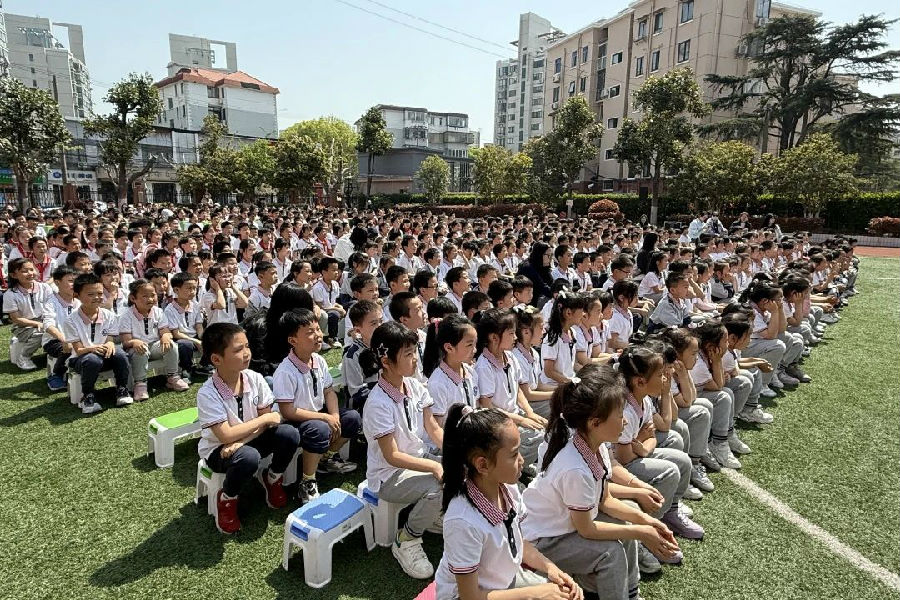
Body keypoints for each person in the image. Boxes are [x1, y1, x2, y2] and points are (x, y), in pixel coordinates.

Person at [522, 364, 679, 599]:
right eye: (620, 415)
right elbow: (586, 529)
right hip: (544, 540)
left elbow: (605, 499)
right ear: (594, 422)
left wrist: (647, 521)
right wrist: (641, 532)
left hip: (564, 526)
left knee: (628, 522)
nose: (625, 422)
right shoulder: (574, 467)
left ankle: (630, 593)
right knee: (610, 553)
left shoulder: (595, 444)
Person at [435, 404, 584, 600]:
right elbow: (470, 597)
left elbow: (518, 542)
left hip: (501, 582)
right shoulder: (462, 521)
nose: (522, 460)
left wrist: (550, 568)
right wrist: (536, 593)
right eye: (514, 454)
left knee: (562, 594)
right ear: (482, 465)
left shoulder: (508, 489)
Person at [195, 322, 301, 534]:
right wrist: (263, 421)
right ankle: (227, 498)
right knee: (248, 457)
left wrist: (243, 440)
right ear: (216, 359)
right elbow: (226, 435)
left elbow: (270, 421)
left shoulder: (254, 378)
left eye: (247, 346)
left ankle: (272, 478)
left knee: (289, 433)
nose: (246, 353)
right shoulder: (207, 393)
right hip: (219, 450)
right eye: (238, 350)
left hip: (247, 440)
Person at [360, 321, 444, 579]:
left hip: (417, 458)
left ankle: (430, 516)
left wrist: (455, 452)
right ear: (386, 361)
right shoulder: (378, 403)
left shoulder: (414, 385)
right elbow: (392, 456)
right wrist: (435, 465)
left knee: (462, 468)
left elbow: (433, 428)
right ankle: (406, 538)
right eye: (408, 354)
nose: (415, 358)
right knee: (439, 485)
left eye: (414, 351)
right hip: (389, 476)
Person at [614, 346, 704, 543]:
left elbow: (652, 436)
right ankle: (649, 530)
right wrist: (641, 444)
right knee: (670, 471)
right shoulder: (626, 410)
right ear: (640, 382)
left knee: (683, 460)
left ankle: (670, 511)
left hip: (637, 452)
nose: (664, 379)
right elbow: (624, 458)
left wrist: (643, 447)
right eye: (659, 375)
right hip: (621, 466)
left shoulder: (644, 400)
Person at [273, 308, 359, 503]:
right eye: (310, 332)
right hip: (295, 421)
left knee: (352, 418)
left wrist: (334, 416)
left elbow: (329, 391)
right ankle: (307, 481)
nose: (318, 335)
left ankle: (326, 458)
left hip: (318, 413)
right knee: (319, 428)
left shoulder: (318, 360)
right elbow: (288, 411)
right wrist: (325, 417)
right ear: (293, 340)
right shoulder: (285, 371)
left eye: (318, 329)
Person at [474, 309, 544, 470]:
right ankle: (508, 470)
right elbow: (487, 407)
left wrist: (530, 412)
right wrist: (521, 420)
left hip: (515, 415)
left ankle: (520, 467)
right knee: (537, 438)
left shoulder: (510, 356)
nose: (516, 337)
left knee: (545, 431)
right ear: (494, 337)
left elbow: (517, 389)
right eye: (511, 333)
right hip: (497, 422)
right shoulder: (484, 366)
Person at [63, 273, 134, 414]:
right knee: (92, 359)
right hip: (81, 358)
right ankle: (88, 396)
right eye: (90, 294)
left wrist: (110, 345)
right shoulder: (71, 320)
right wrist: (93, 348)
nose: (97, 297)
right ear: (77, 295)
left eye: (100, 293)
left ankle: (122, 389)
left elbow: (110, 340)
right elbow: (78, 350)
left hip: (104, 355)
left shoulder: (109, 315)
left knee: (120, 354)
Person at [118, 279, 190, 400]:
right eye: (145, 296)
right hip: (136, 349)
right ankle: (140, 383)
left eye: (153, 295)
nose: (150, 299)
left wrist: (166, 336)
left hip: (154, 346)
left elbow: (165, 331)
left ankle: (173, 377)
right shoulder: (126, 316)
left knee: (170, 344)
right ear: (133, 298)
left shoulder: (158, 311)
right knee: (140, 350)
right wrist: (134, 342)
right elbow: (126, 342)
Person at [422, 314, 479, 426]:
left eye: (475, 344)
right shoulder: (438, 383)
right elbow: (437, 427)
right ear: (449, 348)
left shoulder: (470, 372)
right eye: (469, 345)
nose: (475, 350)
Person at [4, 257, 53, 371]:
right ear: (13, 275)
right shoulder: (10, 294)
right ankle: (24, 357)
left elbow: (52, 308)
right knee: (41, 333)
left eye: (32, 269)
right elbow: (16, 319)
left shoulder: (44, 287)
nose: (30, 273)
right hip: (23, 327)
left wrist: (47, 322)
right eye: (24, 271)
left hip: (45, 319)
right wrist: (38, 324)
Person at [511, 306, 554, 419]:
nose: (544, 331)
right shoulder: (516, 357)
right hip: (526, 405)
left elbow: (539, 385)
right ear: (526, 332)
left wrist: (561, 389)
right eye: (541, 328)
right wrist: (556, 394)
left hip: (536, 401)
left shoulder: (534, 353)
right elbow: (528, 394)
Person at [41, 265, 80, 390]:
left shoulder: (79, 301)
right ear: (57, 283)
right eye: (70, 281)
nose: (74, 284)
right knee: (71, 347)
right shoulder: (51, 302)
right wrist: (64, 339)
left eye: (76, 280)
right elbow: (48, 325)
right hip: (54, 341)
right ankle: (56, 374)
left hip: (77, 338)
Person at [539, 292, 585, 389]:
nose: (583, 314)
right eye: (581, 310)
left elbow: (570, 364)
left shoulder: (572, 332)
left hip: (568, 382)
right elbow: (549, 371)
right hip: (554, 387)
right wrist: (569, 382)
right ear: (568, 313)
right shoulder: (552, 338)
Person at [165, 272, 205, 380]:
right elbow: (176, 333)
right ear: (176, 290)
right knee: (185, 344)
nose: (192, 291)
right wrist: (195, 341)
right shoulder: (170, 309)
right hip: (181, 338)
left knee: (211, 338)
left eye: (194, 288)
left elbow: (199, 325)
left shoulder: (195, 305)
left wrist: (202, 337)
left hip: (193, 336)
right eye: (188, 288)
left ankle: (204, 365)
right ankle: (186, 369)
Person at [517, 241, 553, 306]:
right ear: (540, 254)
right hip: (525, 303)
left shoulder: (542, 264)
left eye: (551, 255)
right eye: (548, 255)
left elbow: (551, 282)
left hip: (536, 298)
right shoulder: (527, 267)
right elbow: (542, 287)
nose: (550, 258)